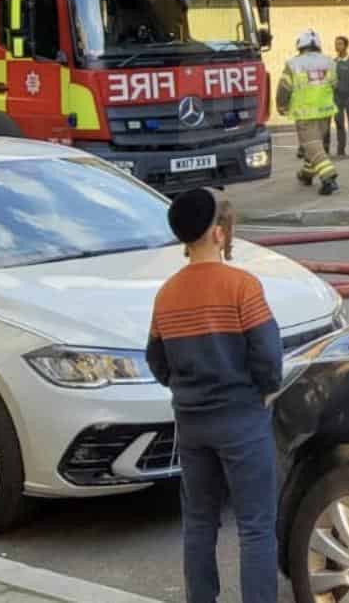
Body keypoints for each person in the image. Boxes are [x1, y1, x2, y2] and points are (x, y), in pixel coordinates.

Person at [147, 189, 283, 603]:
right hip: (242, 416)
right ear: (220, 234)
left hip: (191, 422)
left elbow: (157, 360)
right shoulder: (242, 286)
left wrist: (184, 388)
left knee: (199, 521)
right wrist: (264, 390)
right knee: (256, 526)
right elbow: (268, 357)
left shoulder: (166, 294)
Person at [276, 31, 339, 195]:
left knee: (312, 146)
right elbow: (334, 84)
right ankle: (306, 175)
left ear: (299, 46)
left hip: (305, 113)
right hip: (325, 111)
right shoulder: (329, 62)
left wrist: (281, 106)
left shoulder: (293, 64)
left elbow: (284, 87)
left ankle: (328, 177)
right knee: (315, 145)